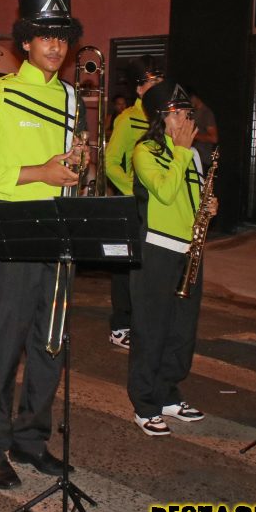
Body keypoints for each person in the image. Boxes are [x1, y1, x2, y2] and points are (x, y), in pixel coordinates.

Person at [0, 0, 84, 489]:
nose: (55, 45)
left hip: (62, 231)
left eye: (62, 36)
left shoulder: (71, 98)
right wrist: (40, 173)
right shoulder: (1, 96)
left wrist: (76, 166)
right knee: (2, 346)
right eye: (44, 35)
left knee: (50, 345)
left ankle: (31, 440)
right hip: (15, 232)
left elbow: (66, 167)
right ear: (26, 42)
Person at [127, 80, 215, 436]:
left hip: (189, 249)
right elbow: (164, 192)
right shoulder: (145, 151)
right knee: (152, 330)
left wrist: (208, 206)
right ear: (160, 117)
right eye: (178, 113)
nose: (187, 119)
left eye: (188, 112)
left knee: (182, 330)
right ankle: (145, 404)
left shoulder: (191, 153)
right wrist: (180, 151)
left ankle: (167, 394)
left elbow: (188, 195)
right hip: (156, 249)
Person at [102, 57, 164, 349]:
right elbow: (111, 162)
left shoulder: (163, 117)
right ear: (139, 89)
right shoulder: (128, 118)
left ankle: (143, 323)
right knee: (125, 267)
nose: (159, 87)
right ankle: (120, 327)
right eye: (153, 82)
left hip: (157, 204)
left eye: (161, 81)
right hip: (132, 203)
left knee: (148, 266)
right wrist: (135, 190)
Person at [188, 88, 219, 171]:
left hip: (203, 158)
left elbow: (214, 138)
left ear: (194, 97)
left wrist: (193, 136)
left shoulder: (206, 113)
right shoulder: (192, 112)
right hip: (192, 156)